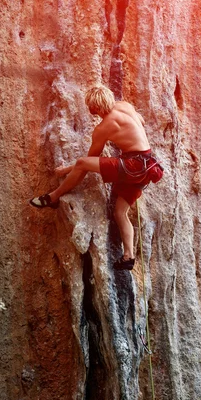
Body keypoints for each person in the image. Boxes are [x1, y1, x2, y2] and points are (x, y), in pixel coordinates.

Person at [30, 86, 163, 270]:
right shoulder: (125, 106)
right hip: (148, 165)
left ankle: (53, 197)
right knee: (119, 212)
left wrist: (66, 170)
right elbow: (140, 121)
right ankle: (128, 256)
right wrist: (128, 141)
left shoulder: (104, 127)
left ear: (95, 108)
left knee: (83, 163)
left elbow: (87, 162)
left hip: (134, 166)